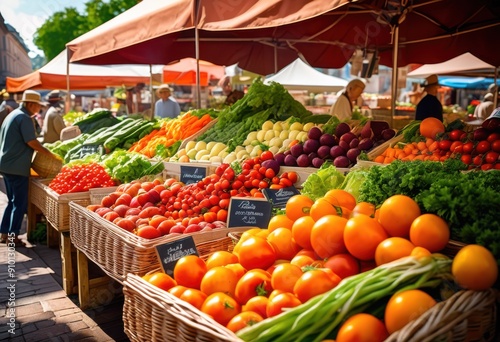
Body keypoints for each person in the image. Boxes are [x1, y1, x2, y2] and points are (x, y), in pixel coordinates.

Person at [0, 90, 61, 247]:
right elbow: (32, 142)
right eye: (37, 106)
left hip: (7, 164)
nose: (38, 110)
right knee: (19, 203)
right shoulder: (24, 118)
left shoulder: (12, 115)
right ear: (30, 104)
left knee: (12, 201)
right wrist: (50, 155)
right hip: (17, 166)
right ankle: (13, 237)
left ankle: (5, 233)